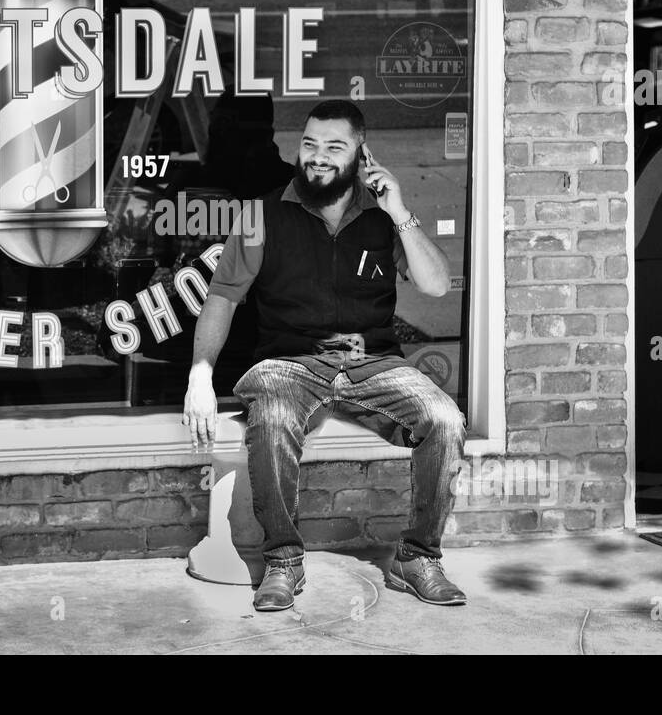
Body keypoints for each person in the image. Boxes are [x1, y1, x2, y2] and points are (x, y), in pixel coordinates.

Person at [182, 99, 468, 612]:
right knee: (269, 416)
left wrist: (399, 211)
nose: (317, 157)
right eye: (310, 144)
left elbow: (437, 283)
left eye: (334, 147)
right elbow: (222, 297)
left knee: (444, 419)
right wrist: (200, 373)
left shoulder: (384, 220)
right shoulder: (259, 214)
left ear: (362, 155)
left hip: (373, 364)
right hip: (289, 363)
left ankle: (418, 556)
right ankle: (284, 561)